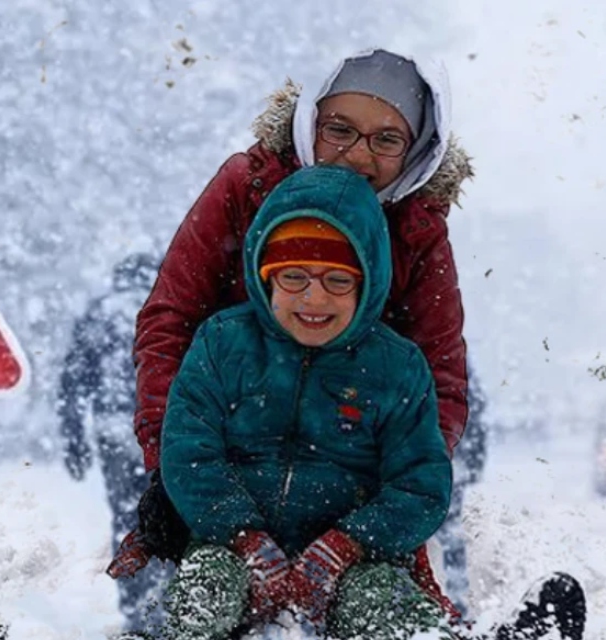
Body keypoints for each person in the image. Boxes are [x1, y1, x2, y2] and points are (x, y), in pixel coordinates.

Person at [116, 48, 475, 602]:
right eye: (340, 130)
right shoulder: (248, 187)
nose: (358, 155)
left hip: (348, 476)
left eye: (386, 139)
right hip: (230, 449)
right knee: (193, 595)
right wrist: (170, 464)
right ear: (310, 122)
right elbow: (171, 320)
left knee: (379, 606)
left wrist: (392, 511)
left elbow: (439, 376)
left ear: (417, 150)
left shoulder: (416, 228)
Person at [155, 165, 456, 639]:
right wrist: (244, 538)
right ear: (266, 277)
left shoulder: (395, 367)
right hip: (231, 549)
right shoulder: (223, 344)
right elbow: (188, 454)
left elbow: (422, 484)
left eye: (338, 281)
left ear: (367, 283)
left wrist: (348, 544)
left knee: (381, 604)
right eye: (294, 276)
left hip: (354, 562)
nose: (314, 298)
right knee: (206, 587)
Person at [57, 251, 171, 631]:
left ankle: (135, 611)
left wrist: (74, 439)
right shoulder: (166, 310)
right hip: (160, 433)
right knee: (171, 517)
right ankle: (170, 606)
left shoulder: (99, 313)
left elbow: (73, 382)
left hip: (112, 433)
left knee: (127, 519)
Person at [435, 360, 490, 618]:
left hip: (448, 466)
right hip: (449, 465)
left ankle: (455, 601)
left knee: (449, 535)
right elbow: (476, 414)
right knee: (450, 536)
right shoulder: (451, 363)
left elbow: (475, 415)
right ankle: (456, 602)